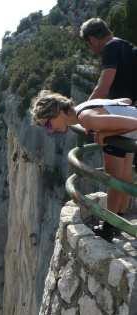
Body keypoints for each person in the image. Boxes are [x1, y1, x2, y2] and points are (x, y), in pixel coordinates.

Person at [30, 90, 137, 241]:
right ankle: (118, 222)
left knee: (114, 180)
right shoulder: (84, 107)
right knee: (123, 179)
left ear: (58, 112)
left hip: (127, 135)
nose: (50, 130)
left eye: (48, 124)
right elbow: (126, 100)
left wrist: (106, 134)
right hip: (128, 137)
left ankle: (108, 228)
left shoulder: (87, 119)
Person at [79, 18, 137, 232]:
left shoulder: (111, 48)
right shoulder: (128, 46)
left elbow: (103, 87)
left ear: (93, 39)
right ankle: (120, 217)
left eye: (89, 43)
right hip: (131, 116)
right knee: (124, 173)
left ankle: (109, 227)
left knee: (114, 175)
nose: (91, 48)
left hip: (114, 117)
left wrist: (84, 109)